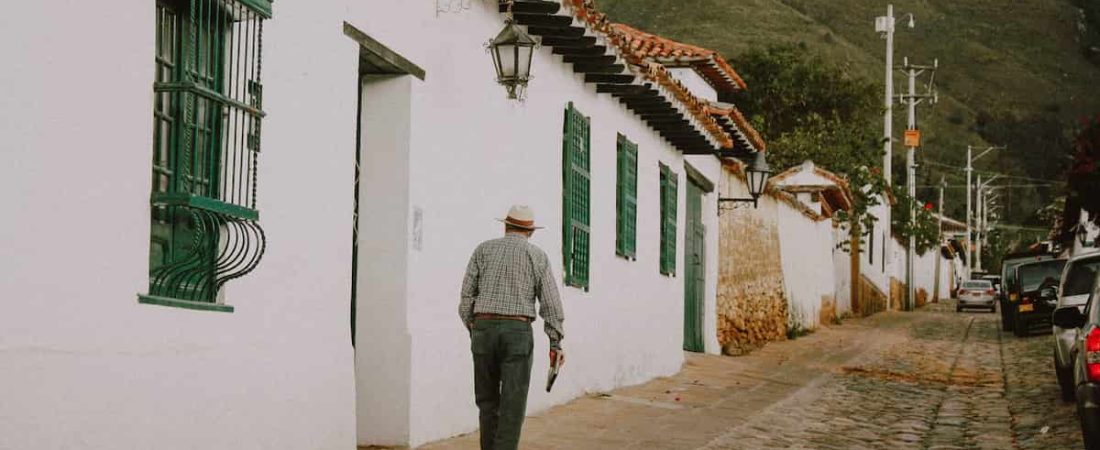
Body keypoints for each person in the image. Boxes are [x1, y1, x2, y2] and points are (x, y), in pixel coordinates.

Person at [459, 205, 565, 450]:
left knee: (486, 403)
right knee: (512, 405)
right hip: (517, 331)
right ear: (531, 232)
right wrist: (555, 341)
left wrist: (474, 327)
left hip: (483, 328)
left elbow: (466, 298)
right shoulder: (537, 256)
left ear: (505, 225)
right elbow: (550, 303)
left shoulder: (483, 250)